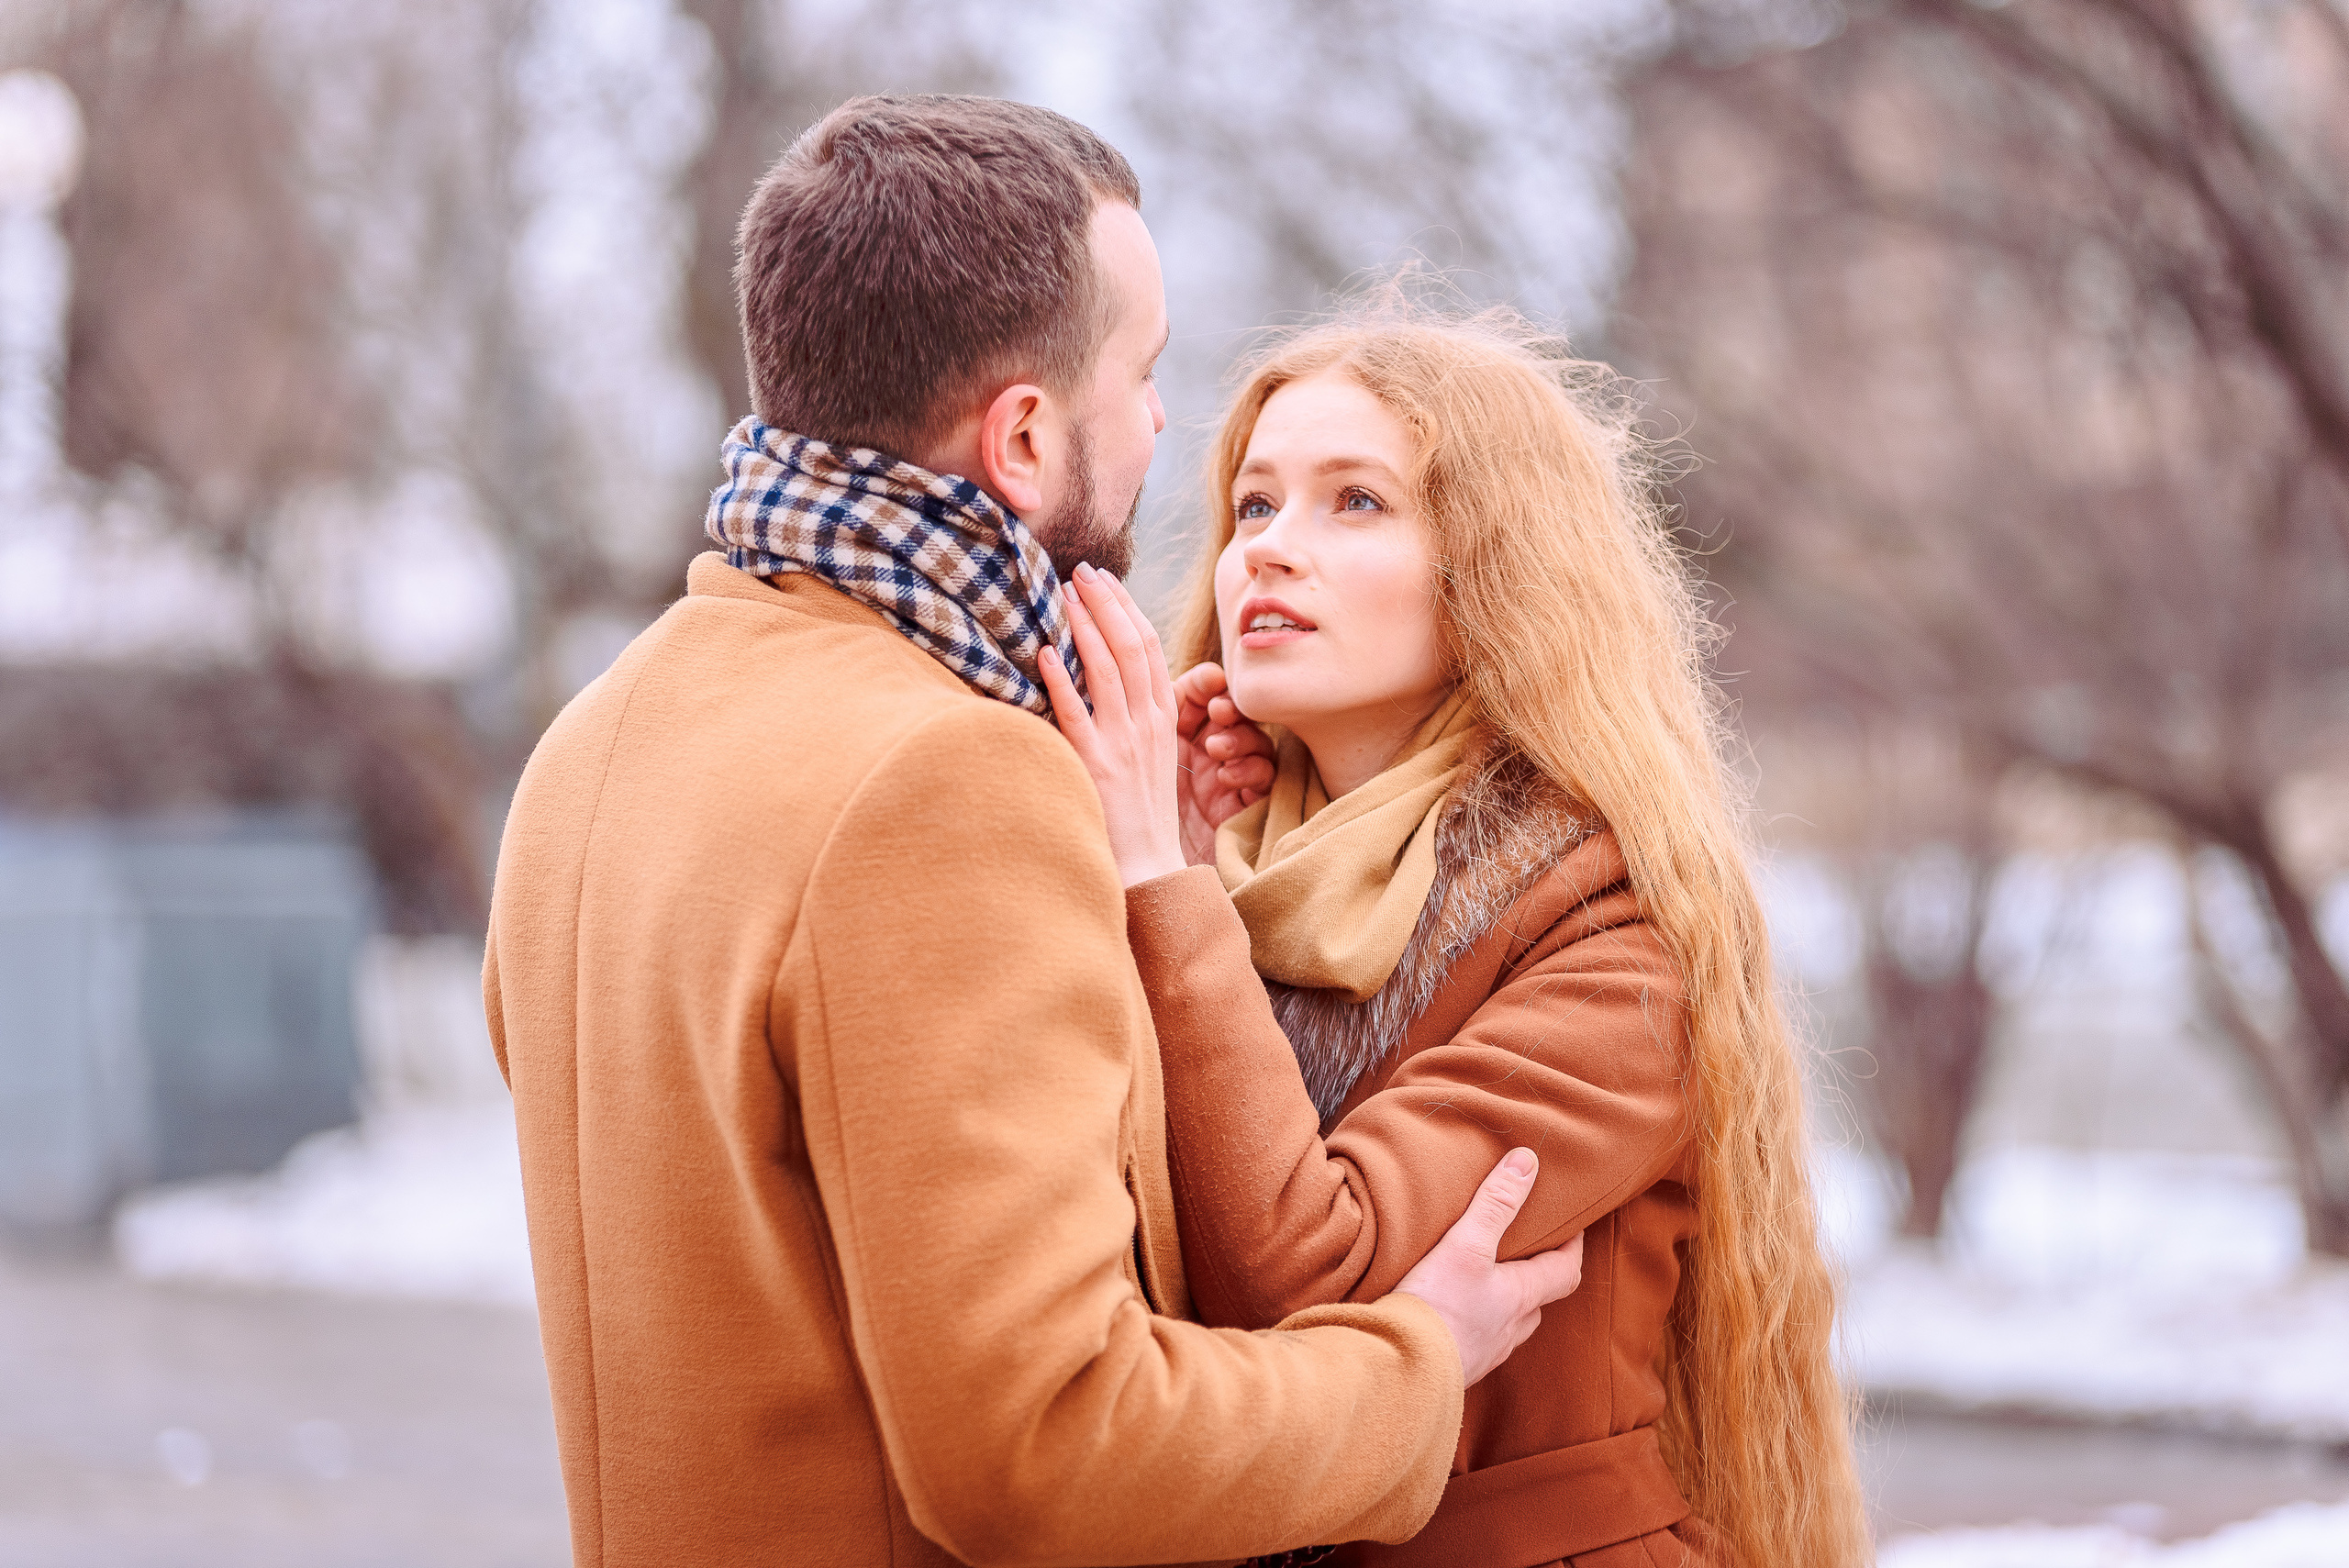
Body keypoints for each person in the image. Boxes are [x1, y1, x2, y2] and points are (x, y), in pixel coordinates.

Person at [484, 98, 1588, 1568]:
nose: (1157, 424)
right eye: (1142, 373)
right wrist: (1416, 1367)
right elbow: (1039, 1442)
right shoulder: (948, 783)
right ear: (1021, 435)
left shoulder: (598, 740)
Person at [1042, 304, 1872, 1568]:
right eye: (1254, 505)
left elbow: (1314, 1269)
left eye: (1355, 502)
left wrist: (1165, 882)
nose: (1272, 550)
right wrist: (1172, 865)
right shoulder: (1200, 878)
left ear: (1492, 567)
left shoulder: (1610, 932)